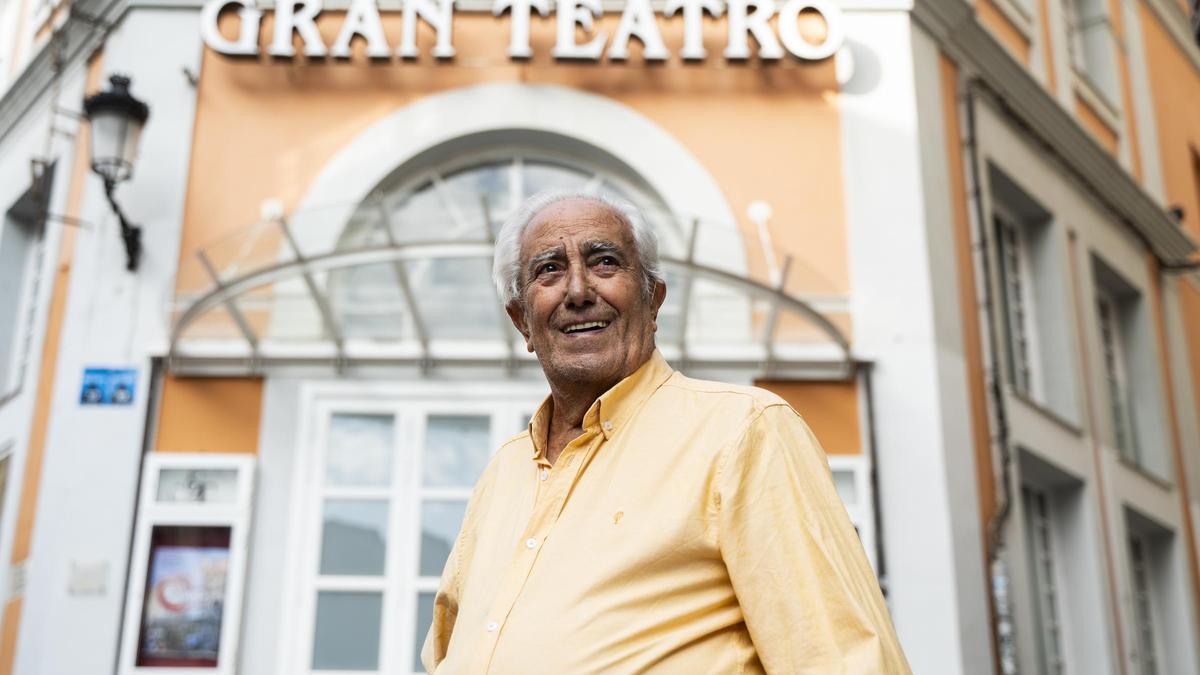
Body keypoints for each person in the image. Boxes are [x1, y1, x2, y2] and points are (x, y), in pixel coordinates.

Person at [421, 191, 910, 673]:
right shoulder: (503, 472)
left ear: (653, 299)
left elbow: (842, 660)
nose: (577, 292)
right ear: (521, 321)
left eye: (605, 262)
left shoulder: (744, 431)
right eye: (549, 269)